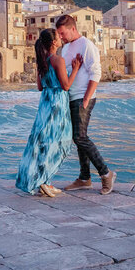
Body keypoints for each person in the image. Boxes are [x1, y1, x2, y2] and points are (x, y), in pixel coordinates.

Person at [16, 28, 82, 197]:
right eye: (58, 37)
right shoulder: (57, 60)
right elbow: (66, 86)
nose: (61, 38)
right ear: (54, 43)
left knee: (43, 142)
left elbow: (40, 86)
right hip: (57, 104)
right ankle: (44, 180)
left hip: (45, 103)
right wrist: (75, 68)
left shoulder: (42, 60)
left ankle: (44, 181)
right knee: (62, 142)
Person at [56, 14, 116, 195]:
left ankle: (106, 174)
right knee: (78, 138)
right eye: (58, 34)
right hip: (71, 98)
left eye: (62, 33)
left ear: (72, 28)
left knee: (80, 137)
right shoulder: (66, 48)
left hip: (83, 97)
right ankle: (84, 178)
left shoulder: (87, 45)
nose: (60, 37)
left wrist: (87, 98)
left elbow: (95, 73)